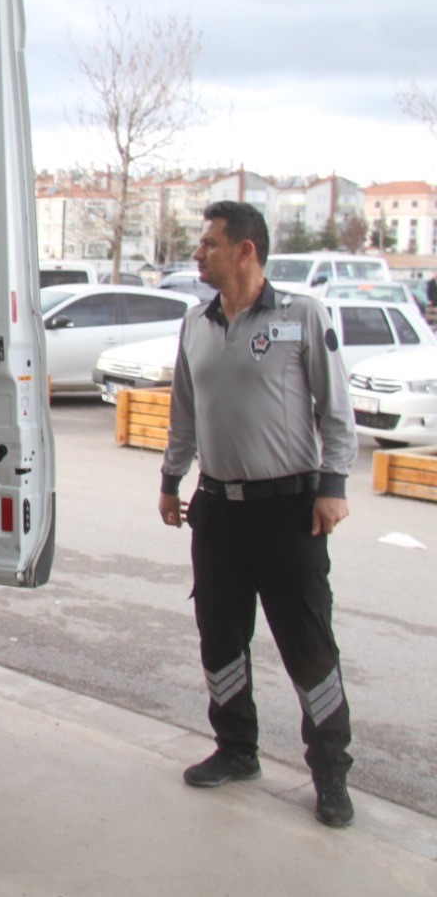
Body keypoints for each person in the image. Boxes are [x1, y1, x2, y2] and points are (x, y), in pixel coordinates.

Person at [158, 200, 357, 828]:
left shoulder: (302, 316)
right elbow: (184, 412)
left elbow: (336, 412)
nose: (198, 254)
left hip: (288, 512)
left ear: (246, 250)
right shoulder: (195, 323)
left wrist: (332, 486)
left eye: (209, 244)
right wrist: (171, 480)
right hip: (217, 510)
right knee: (220, 635)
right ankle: (236, 748)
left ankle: (330, 771)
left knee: (307, 642)